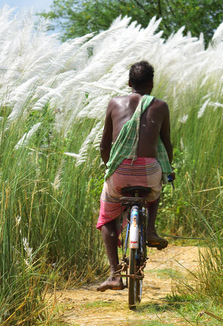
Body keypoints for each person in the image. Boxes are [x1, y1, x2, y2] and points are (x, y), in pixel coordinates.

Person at [96, 61, 174, 292]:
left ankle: (114, 275)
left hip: (120, 172)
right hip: (149, 172)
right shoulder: (160, 106)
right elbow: (166, 144)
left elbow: (103, 146)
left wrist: (111, 168)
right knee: (155, 189)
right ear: (151, 84)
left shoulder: (114, 103)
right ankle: (149, 229)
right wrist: (167, 170)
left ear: (129, 83)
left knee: (108, 217)